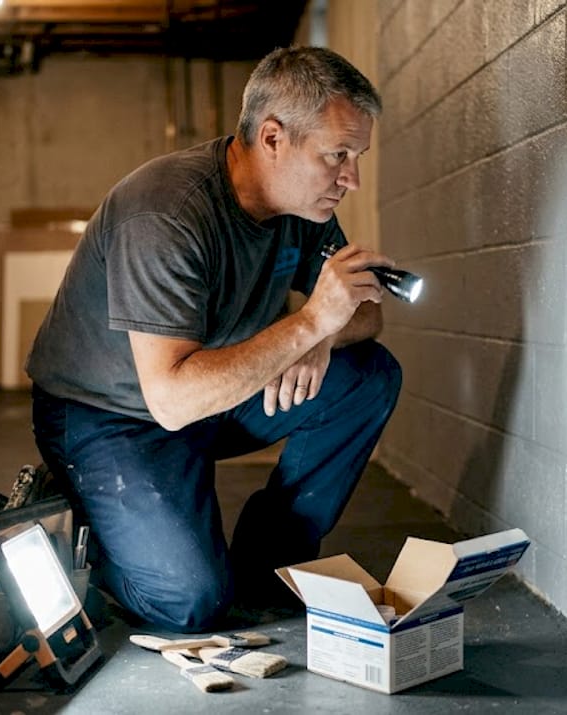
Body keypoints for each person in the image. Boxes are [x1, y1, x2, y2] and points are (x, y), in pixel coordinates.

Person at [25, 46, 402, 633]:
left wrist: (322, 335)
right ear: (273, 138)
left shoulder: (306, 206)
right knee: (189, 601)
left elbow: (367, 313)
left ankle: (267, 563)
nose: (351, 178)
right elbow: (172, 402)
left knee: (369, 376)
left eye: (356, 157)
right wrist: (309, 324)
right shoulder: (166, 213)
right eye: (338, 155)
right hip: (113, 415)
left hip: (215, 390)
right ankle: (73, 514)